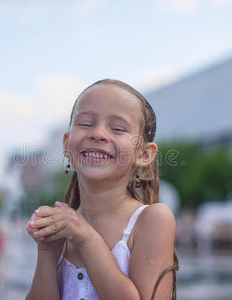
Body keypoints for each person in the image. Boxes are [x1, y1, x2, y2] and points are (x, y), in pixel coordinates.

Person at [26, 79, 178, 300]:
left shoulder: (152, 219)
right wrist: (48, 253)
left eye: (117, 128)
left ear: (144, 155)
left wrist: (86, 238)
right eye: (86, 123)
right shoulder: (63, 226)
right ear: (67, 144)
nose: (98, 134)